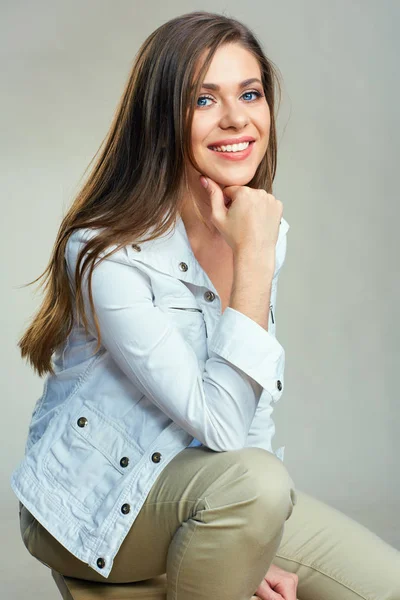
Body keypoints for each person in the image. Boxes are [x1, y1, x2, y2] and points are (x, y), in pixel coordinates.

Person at [10, 10, 400, 600]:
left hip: (215, 487)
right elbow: (217, 420)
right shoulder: (102, 252)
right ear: (163, 120)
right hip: (89, 504)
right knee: (258, 488)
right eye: (203, 101)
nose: (237, 118)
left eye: (250, 94)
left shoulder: (257, 230)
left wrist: (254, 538)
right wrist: (256, 261)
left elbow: (252, 406)